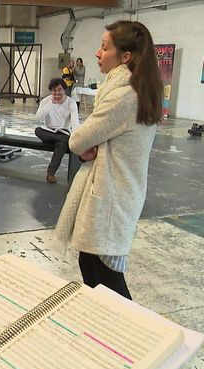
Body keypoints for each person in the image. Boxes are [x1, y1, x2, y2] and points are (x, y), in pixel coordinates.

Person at [54, 20, 163, 300]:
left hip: (112, 198)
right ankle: (108, 333)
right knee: (93, 268)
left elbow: (78, 140)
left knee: (106, 280)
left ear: (125, 57)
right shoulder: (126, 88)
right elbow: (90, 141)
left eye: (104, 47)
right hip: (116, 193)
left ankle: (129, 337)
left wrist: (85, 145)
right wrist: (90, 145)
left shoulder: (124, 95)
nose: (97, 53)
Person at [34, 78, 80, 184]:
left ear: (64, 90)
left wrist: (76, 136)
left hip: (62, 132)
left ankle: (51, 172)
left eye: (59, 90)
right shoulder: (46, 101)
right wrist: (50, 104)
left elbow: (75, 123)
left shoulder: (71, 103)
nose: (57, 93)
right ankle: (61, 140)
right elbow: (37, 118)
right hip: (48, 132)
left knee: (64, 140)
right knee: (38, 130)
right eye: (54, 90)